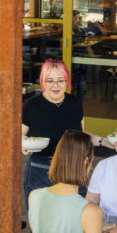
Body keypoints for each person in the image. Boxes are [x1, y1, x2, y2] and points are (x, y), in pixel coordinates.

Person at [22, 59, 111, 202]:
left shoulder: (75, 103)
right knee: (44, 218)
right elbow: (17, 137)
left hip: (73, 168)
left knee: (75, 217)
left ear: (67, 81)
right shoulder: (31, 106)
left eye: (61, 80)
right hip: (42, 169)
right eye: (50, 81)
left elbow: (80, 135)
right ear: (43, 82)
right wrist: (24, 145)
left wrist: (104, 141)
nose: (55, 85)